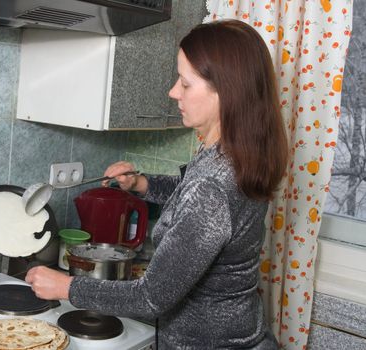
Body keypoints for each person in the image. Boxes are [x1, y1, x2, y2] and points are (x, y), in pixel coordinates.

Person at [25, 19, 288, 349]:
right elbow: (190, 196)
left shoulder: (213, 186)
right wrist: (140, 183)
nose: (173, 92)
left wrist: (66, 287)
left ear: (224, 91)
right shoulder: (236, 156)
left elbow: (150, 297)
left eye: (185, 83)